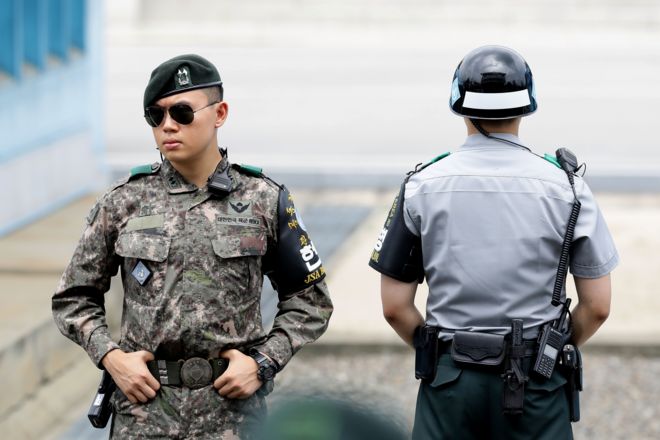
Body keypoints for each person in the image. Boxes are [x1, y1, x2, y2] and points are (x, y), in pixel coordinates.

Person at [52, 54, 333, 439]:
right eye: (156, 115)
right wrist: (112, 358)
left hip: (232, 415)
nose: (168, 125)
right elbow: (72, 297)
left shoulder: (264, 200)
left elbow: (310, 300)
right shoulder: (123, 203)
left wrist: (264, 362)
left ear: (219, 113)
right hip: (144, 414)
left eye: (182, 112)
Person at [369, 45, 618, 439]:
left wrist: (439, 354)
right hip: (537, 380)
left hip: (449, 383)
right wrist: (551, 352)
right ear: (526, 107)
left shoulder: (421, 186)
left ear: (459, 104)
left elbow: (395, 308)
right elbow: (598, 307)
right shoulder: (569, 188)